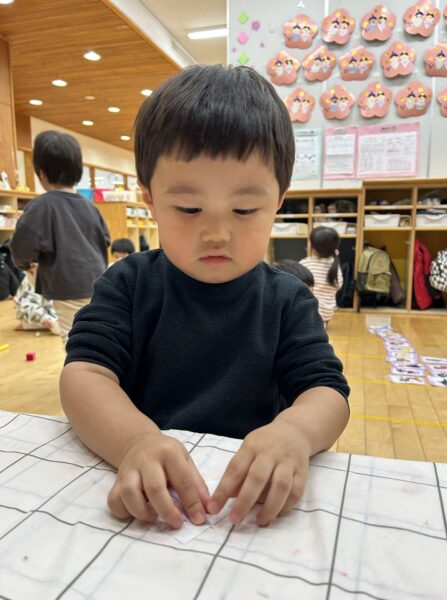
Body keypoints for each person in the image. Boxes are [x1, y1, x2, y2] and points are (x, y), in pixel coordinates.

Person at [60, 65, 350, 531]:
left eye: (244, 209)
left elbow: (326, 391)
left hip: (247, 504)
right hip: (151, 493)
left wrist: (294, 432)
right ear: (149, 198)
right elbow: (85, 375)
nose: (216, 233)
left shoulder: (288, 300)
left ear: (278, 200)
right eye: (189, 208)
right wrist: (134, 441)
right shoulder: (127, 284)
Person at [10, 130, 110, 345]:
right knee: (97, 333)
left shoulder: (41, 206)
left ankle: (87, 366)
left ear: (41, 173)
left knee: (75, 339)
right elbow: (105, 239)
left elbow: (21, 246)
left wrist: (25, 264)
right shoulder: (89, 207)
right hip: (100, 281)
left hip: (68, 285)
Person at [300, 227, 343, 326]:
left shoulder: (305, 263)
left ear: (314, 248)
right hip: (328, 311)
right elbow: (339, 284)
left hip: (309, 311)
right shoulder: (334, 264)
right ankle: (322, 325)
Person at [13, 262, 60, 335]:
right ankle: (28, 324)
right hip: (35, 311)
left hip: (53, 310)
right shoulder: (35, 275)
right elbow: (25, 304)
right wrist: (43, 317)